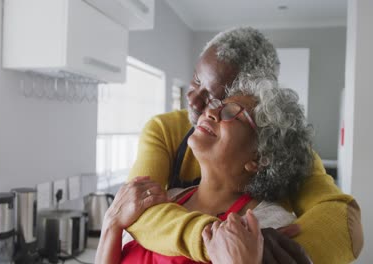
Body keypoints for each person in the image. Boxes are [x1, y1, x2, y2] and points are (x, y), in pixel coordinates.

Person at [124, 27, 363, 263]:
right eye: (196, 80)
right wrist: (215, 240)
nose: (196, 101)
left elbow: (345, 223)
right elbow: (137, 209)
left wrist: (267, 254)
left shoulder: (281, 152)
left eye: (219, 99)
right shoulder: (164, 130)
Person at [96, 81, 313, 263]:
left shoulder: (270, 224)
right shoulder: (164, 199)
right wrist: (111, 224)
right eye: (217, 105)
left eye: (231, 112)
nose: (209, 112)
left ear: (258, 157)